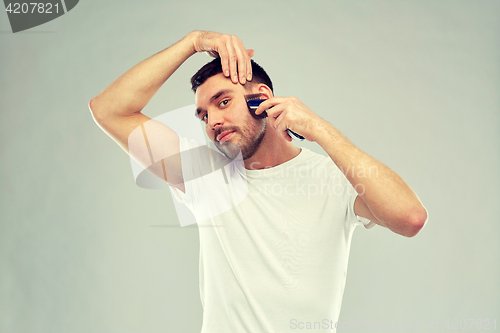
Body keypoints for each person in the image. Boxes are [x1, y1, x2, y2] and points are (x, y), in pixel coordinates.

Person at [89, 31, 428, 333]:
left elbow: (409, 217)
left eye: (223, 102)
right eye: (204, 115)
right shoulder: (203, 174)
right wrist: (193, 42)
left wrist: (319, 130)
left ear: (261, 98)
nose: (213, 122)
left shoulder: (332, 177)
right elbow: (109, 110)